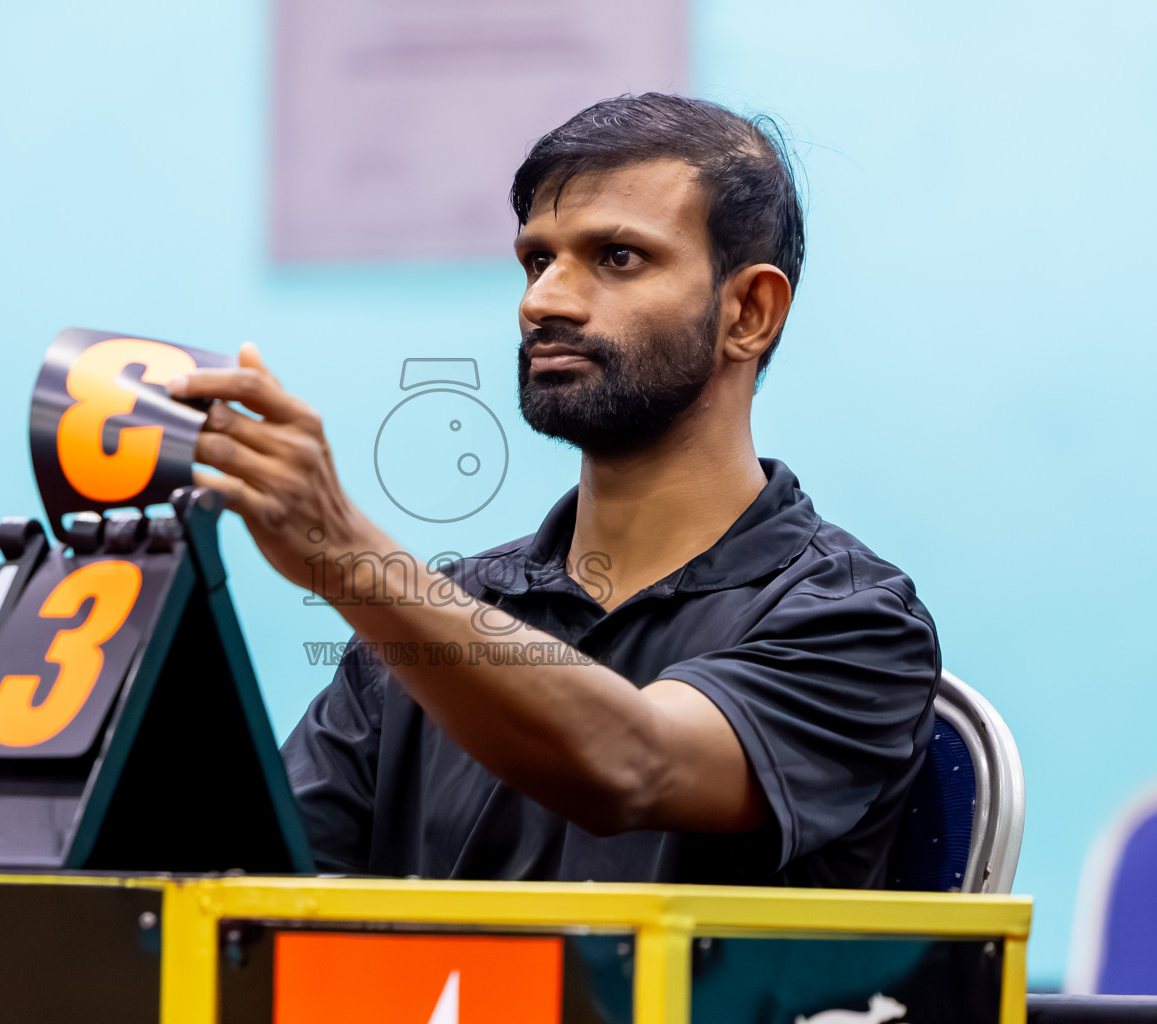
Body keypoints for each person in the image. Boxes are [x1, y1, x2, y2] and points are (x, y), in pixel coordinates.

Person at [166, 93, 940, 888]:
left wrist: (348, 558)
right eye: (538, 260)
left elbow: (632, 764)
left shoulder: (855, 624)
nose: (543, 301)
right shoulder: (426, 628)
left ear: (749, 311)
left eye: (617, 257)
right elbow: (254, 900)